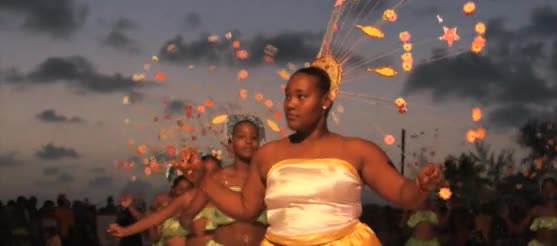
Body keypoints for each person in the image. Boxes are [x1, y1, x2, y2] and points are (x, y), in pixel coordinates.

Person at [197, 65, 445, 245]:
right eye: (287, 96)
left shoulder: (357, 150)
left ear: (325, 100)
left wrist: (420, 185)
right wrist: (202, 179)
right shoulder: (269, 154)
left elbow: (404, 195)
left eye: (301, 96)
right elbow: (246, 208)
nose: (290, 104)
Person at [180, 114, 269, 246]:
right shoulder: (216, 179)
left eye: (254, 138)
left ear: (260, 143)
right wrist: (193, 226)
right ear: (230, 143)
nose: (248, 141)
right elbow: (187, 216)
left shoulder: (267, 178)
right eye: (241, 137)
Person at [108, 157, 221, 245]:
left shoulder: (229, 196)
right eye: (204, 171)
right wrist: (125, 231)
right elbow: (155, 218)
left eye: (214, 171)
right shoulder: (187, 198)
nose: (209, 176)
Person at [501, 176, 557, 246]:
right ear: (542, 191)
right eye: (546, 188)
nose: (549, 191)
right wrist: (505, 217)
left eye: (552, 188)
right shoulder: (537, 209)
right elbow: (519, 229)